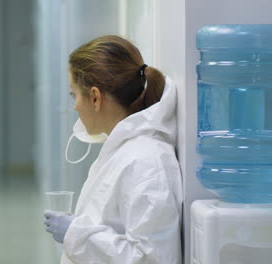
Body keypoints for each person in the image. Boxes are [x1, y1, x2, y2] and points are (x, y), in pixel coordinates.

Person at [44, 35, 183, 264]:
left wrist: (77, 234)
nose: (74, 105)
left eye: (74, 94)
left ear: (95, 98)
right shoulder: (125, 151)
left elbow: (151, 259)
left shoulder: (147, 162)